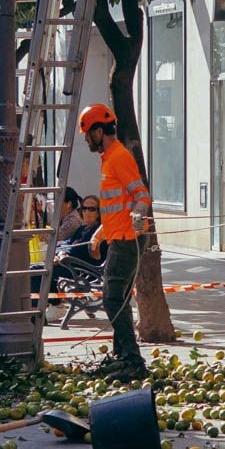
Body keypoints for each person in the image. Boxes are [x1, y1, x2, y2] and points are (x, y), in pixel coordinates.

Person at [79, 104, 150, 373]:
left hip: (126, 239)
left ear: (99, 131)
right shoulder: (109, 158)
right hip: (119, 237)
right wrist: (98, 235)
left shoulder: (119, 157)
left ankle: (132, 359)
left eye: (88, 134)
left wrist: (139, 213)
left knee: (111, 299)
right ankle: (123, 355)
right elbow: (114, 207)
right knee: (118, 299)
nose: (86, 140)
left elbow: (141, 195)